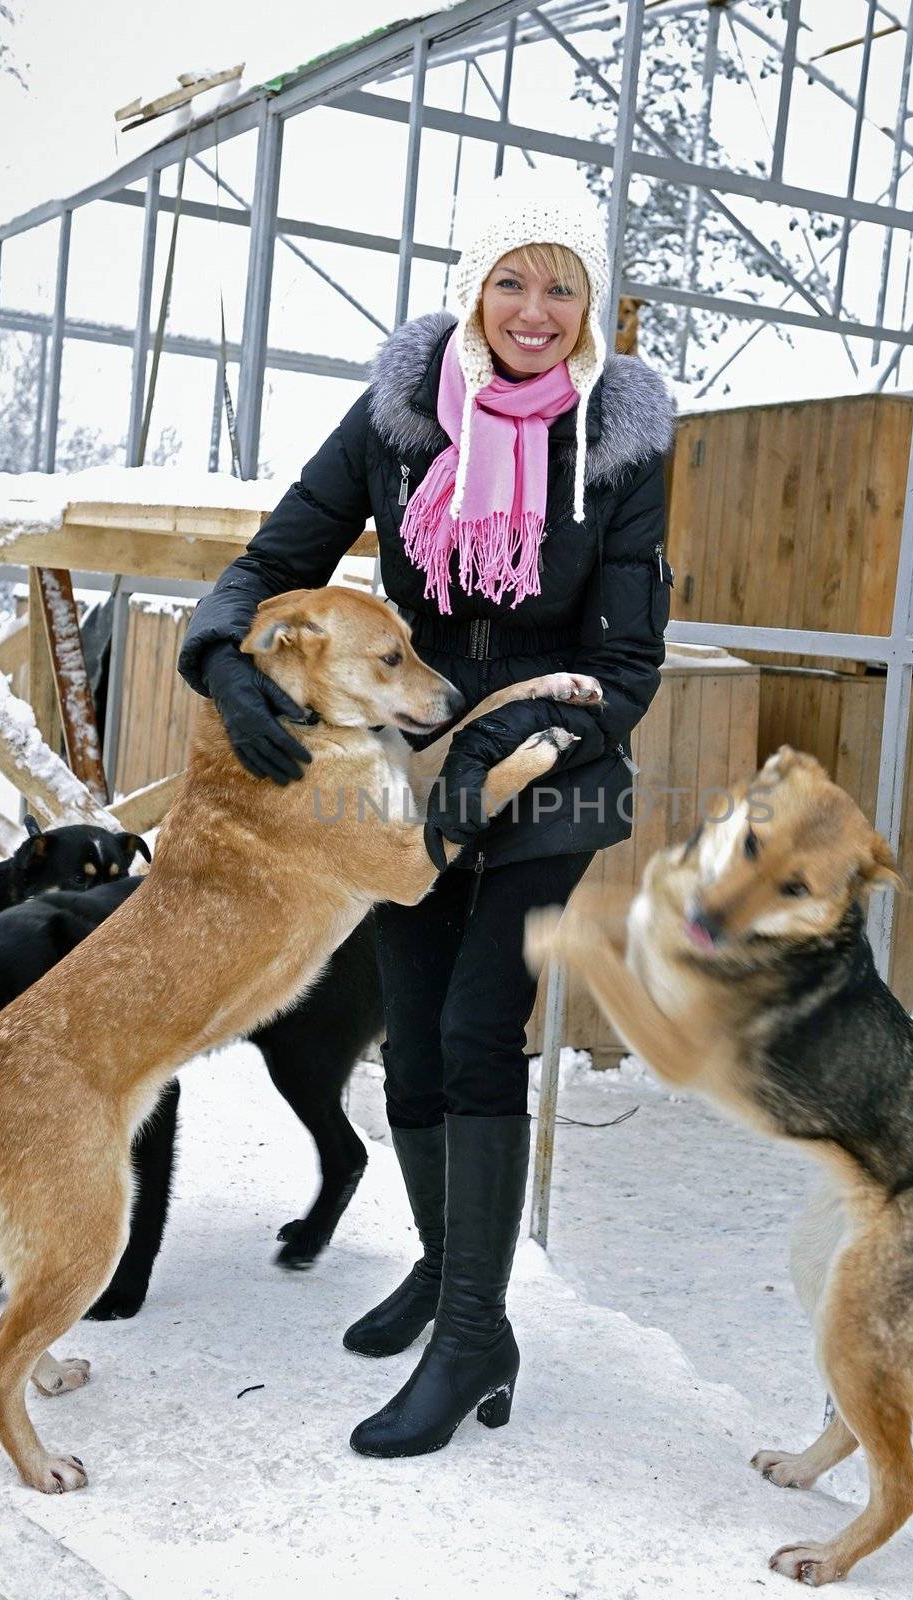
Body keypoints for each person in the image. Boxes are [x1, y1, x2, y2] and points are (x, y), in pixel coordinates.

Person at [177, 179, 674, 1459]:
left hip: (549, 768)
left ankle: (470, 1333)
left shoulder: (621, 440)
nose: (536, 310)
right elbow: (269, 556)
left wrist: (503, 740)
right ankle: (453, 1275)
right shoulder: (399, 418)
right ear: (471, 289)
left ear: (591, 307)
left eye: (562, 285)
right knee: (405, 1048)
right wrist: (225, 658)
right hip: (406, 772)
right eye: (512, 280)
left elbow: (623, 667)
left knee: (471, 1029)